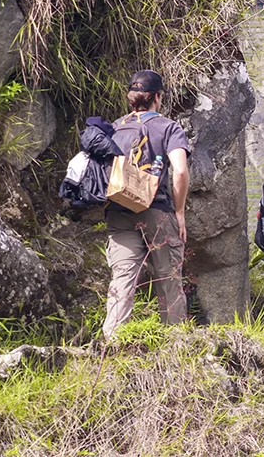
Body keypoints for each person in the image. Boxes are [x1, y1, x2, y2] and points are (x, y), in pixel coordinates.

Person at [102, 70, 190, 341]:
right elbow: (180, 171)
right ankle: (175, 343)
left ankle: (113, 342)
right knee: (167, 277)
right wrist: (179, 212)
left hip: (117, 209)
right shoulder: (168, 127)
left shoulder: (114, 128)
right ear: (157, 98)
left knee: (123, 278)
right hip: (156, 209)